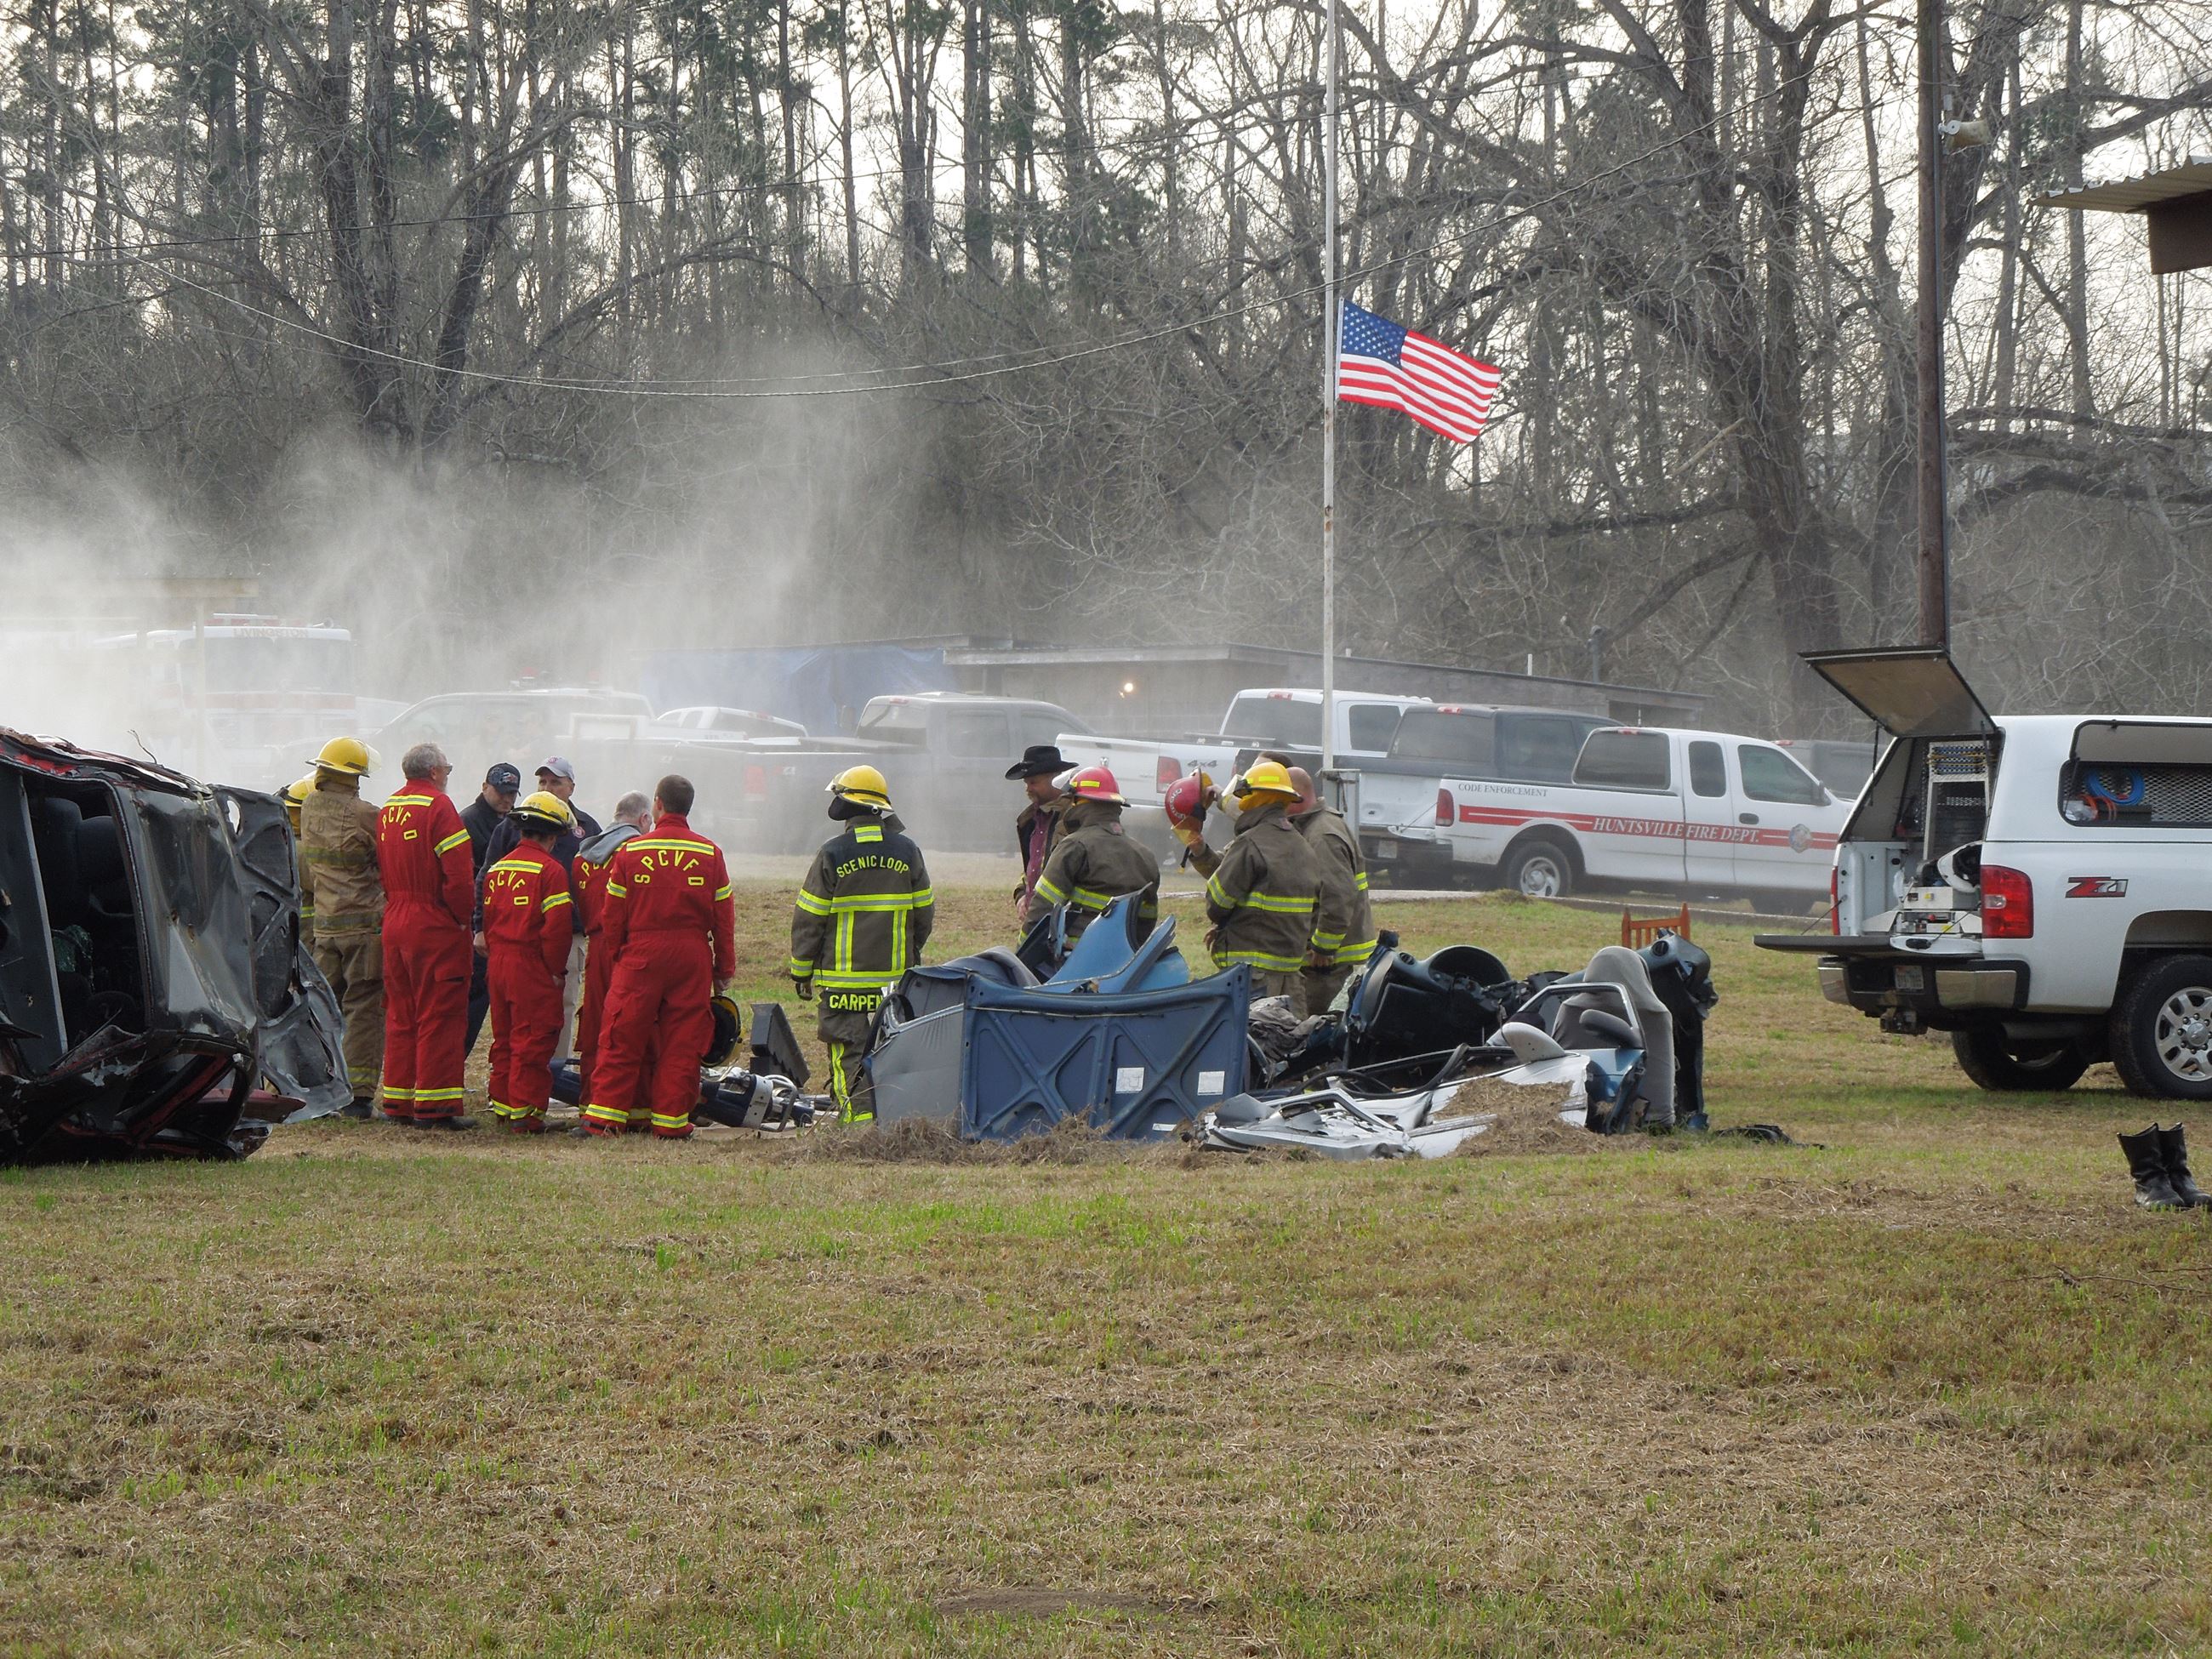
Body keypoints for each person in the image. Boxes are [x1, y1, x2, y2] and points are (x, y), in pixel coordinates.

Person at [583, 775, 734, 1139]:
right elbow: (724, 919)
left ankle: (605, 1119)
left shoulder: (631, 852)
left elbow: (612, 913)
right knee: (683, 1039)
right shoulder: (710, 854)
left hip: (641, 955)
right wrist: (723, 968)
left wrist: (619, 952)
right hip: (692, 957)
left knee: (623, 1033)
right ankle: (670, 1121)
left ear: (658, 804)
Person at [790, 765, 934, 1123]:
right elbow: (924, 915)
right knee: (892, 1047)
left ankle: (857, 1125)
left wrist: (801, 970)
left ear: (848, 804)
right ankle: (891, 1119)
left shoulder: (833, 853)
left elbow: (810, 917)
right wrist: (909, 956)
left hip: (843, 982)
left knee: (847, 1048)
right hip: (895, 982)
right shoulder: (907, 851)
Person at [375, 742, 478, 1129]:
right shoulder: (439, 807)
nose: (448, 776)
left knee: (402, 1014)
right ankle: (436, 1107)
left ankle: (398, 1103)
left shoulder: (388, 809)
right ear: (435, 772)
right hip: (433, 922)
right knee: (441, 1014)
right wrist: (460, 918)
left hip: (395, 918)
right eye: (447, 770)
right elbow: (458, 875)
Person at [477, 755, 601, 1065]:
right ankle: (518, 1082)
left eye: (555, 782)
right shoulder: (512, 825)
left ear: (571, 787)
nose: (548, 787)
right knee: (514, 1013)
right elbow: (487, 875)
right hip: (516, 937)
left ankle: (553, 1078)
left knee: (563, 1005)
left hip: (567, 934)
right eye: (543, 782)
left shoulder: (586, 829)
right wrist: (479, 927)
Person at [482, 792, 578, 1134]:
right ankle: (526, 1114)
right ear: (552, 836)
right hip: (532, 964)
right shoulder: (550, 871)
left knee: (505, 1036)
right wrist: (554, 971)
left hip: (500, 963)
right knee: (533, 1038)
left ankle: (505, 1105)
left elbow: (489, 919)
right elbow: (557, 930)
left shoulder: (498, 868)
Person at [299, 738, 387, 1116]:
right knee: (363, 1007)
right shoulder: (365, 813)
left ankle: (317, 1088)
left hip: (325, 927)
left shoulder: (308, 807)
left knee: (323, 1009)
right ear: (354, 777)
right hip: (363, 927)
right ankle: (358, 1095)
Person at [1201, 759, 1325, 1010]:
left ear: (1256, 798)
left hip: (1252, 982)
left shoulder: (1250, 844)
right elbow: (1313, 912)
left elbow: (1216, 904)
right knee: (1288, 1044)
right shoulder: (1303, 846)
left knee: (1247, 1047)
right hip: (1291, 982)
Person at [573, 790, 653, 1132]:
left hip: (596, 947)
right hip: (628, 948)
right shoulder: (635, 853)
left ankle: (591, 1101)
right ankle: (636, 1106)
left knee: (594, 1026)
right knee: (631, 1027)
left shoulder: (583, 856)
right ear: (644, 819)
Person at [1026, 766, 1161, 936]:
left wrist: (1021, 956)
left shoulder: (1074, 846)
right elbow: (1147, 921)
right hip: (1126, 959)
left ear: (1080, 803)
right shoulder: (1145, 856)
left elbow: (1041, 909)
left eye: (1073, 800)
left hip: (1075, 958)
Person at [1286, 766, 1377, 1015]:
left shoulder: (1322, 835)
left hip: (1330, 963)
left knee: (1321, 1024)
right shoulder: (1313, 826)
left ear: (1296, 797)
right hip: (1328, 958)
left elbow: (1338, 894)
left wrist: (1324, 947)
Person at [460, 763, 520, 1058]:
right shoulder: (468, 821)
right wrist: (476, 925)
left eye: (512, 794)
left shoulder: (515, 822)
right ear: (485, 787)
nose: (507, 799)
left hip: (505, 920)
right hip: (477, 921)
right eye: (501, 792)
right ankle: (457, 1056)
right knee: (474, 994)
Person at [1006, 744, 1069, 927]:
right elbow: (1033, 865)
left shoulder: (1073, 819)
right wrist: (1021, 895)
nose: (1028, 789)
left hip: (1061, 921)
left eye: (1034, 782)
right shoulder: (1031, 820)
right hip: (1036, 921)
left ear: (1056, 779)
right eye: (1026, 784)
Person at [278, 773, 318, 954]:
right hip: (307, 936)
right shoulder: (303, 850)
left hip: (291, 935)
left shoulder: (282, 843)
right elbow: (323, 886)